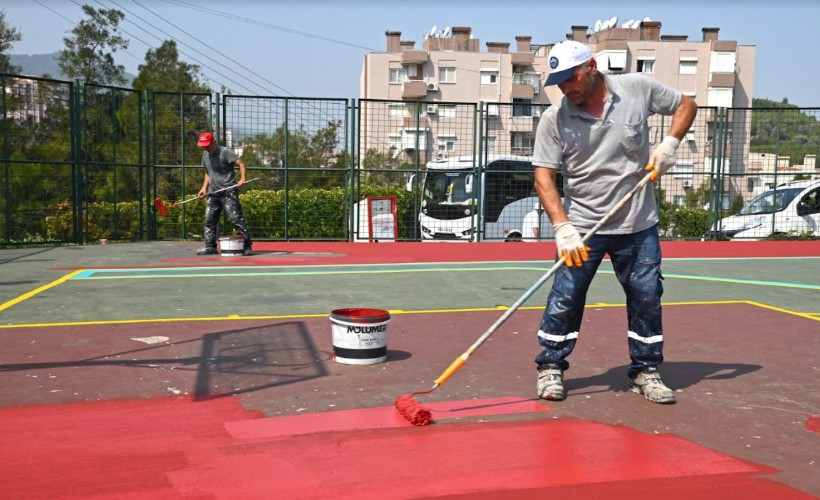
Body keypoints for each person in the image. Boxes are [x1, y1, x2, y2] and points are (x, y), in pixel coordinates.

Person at [532, 40, 697, 404]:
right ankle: (551, 367)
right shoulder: (555, 118)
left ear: (591, 66)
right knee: (566, 297)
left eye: (571, 78)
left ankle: (646, 371)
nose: (566, 88)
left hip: (638, 224)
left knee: (646, 298)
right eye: (558, 82)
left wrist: (669, 144)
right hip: (583, 229)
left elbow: (686, 104)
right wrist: (563, 228)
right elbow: (544, 178)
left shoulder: (637, 88)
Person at [195, 131, 253, 256]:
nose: (205, 148)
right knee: (209, 220)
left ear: (213, 142)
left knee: (236, 218)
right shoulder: (205, 155)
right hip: (213, 192)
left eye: (207, 145)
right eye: (203, 146)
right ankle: (210, 246)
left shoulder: (225, 152)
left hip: (228, 191)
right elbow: (208, 172)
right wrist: (204, 188)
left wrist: (242, 179)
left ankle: (247, 246)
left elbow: (241, 164)